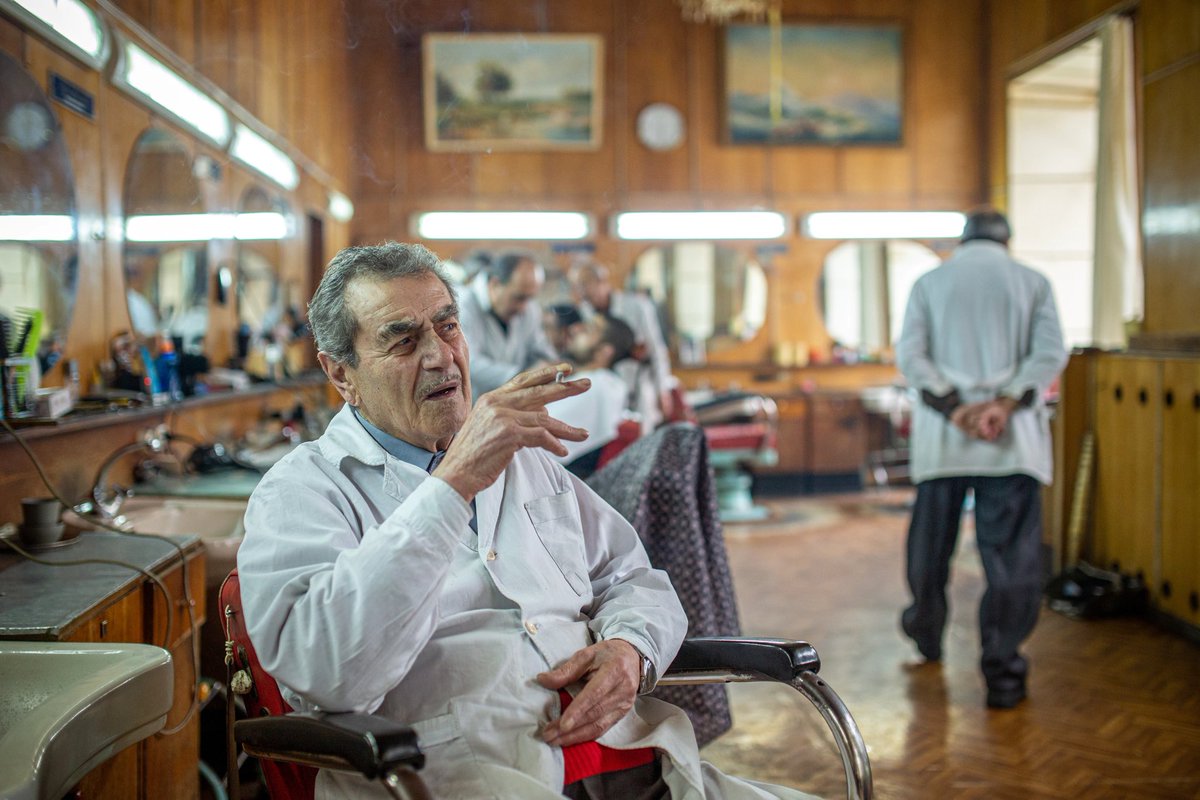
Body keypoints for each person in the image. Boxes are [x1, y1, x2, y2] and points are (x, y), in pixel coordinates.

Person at [237, 242, 816, 799]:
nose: (440, 355)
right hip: (455, 774)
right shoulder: (301, 491)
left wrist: (631, 649)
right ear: (341, 375)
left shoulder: (525, 459)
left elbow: (633, 577)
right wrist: (452, 484)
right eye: (403, 341)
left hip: (629, 759)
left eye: (447, 325)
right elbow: (327, 672)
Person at [895, 209, 1068, 710]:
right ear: (1006, 240)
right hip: (1010, 443)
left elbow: (912, 357)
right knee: (1011, 561)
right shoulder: (1032, 282)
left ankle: (926, 633)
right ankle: (1004, 673)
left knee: (930, 552)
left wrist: (957, 409)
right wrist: (1002, 405)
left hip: (943, 441)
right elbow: (1050, 353)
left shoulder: (930, 282)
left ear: (963, 239)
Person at [570, 261, 675, 431]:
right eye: (576, 286)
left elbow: (656, 350)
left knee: (639, 434)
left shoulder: (637, 306)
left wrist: (662, 390)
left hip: (637, 383)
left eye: (584, 284)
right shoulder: (583, 311)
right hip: (602, 386)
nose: (580, 291)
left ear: (601, 282)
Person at [546, 312, 639, 478]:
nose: (575, 330)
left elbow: (535, 430)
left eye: (588, 330)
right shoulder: (602, 383)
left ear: (605, 352)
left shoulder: (596, 387)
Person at [459, 249, 558, 397]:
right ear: (495, 284)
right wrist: (521, 376)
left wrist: (549, 364)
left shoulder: (529, 308)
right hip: (472, 406)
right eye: (519, 298)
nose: (524, 307)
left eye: (530, 298)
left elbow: (540, 348)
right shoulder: (462, 306)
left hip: (513, 404)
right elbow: (469, 362)